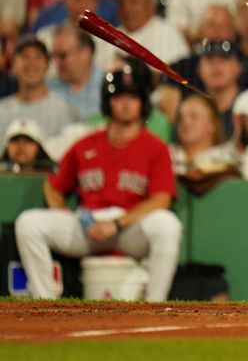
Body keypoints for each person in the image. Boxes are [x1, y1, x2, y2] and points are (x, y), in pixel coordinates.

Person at [14, 63, 182, 301]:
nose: (125, 103)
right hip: (88, 227)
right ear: (107, 102)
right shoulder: (86, 144)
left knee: (167, 225)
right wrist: (64, 212)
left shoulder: (156, 148)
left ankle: (155, 305)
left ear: (142, 102)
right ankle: (45, 302)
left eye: (132, 97)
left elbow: (162, 199)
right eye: (118, 97)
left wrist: (118, 223)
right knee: (28, 223)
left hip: (129, 227)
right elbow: (53, 184)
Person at [94, 0, 190, 71]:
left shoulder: (168, 34)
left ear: (150, 5)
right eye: (121, 3)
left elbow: (178, 75)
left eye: (133, 2)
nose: (126, 8)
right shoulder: (108, 39)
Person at [0, 37, 77, 148]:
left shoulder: (63, 109)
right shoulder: (2, 110)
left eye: (38, 57)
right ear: (13, 66)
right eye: (25, 57)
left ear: (47, 66)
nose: (31, 63)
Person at [47, 24, 104, 121]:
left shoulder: (108, 86)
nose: (56, 63)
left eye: (62, 56)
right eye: (54, 56)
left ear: (85, 53)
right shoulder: (47, 89)